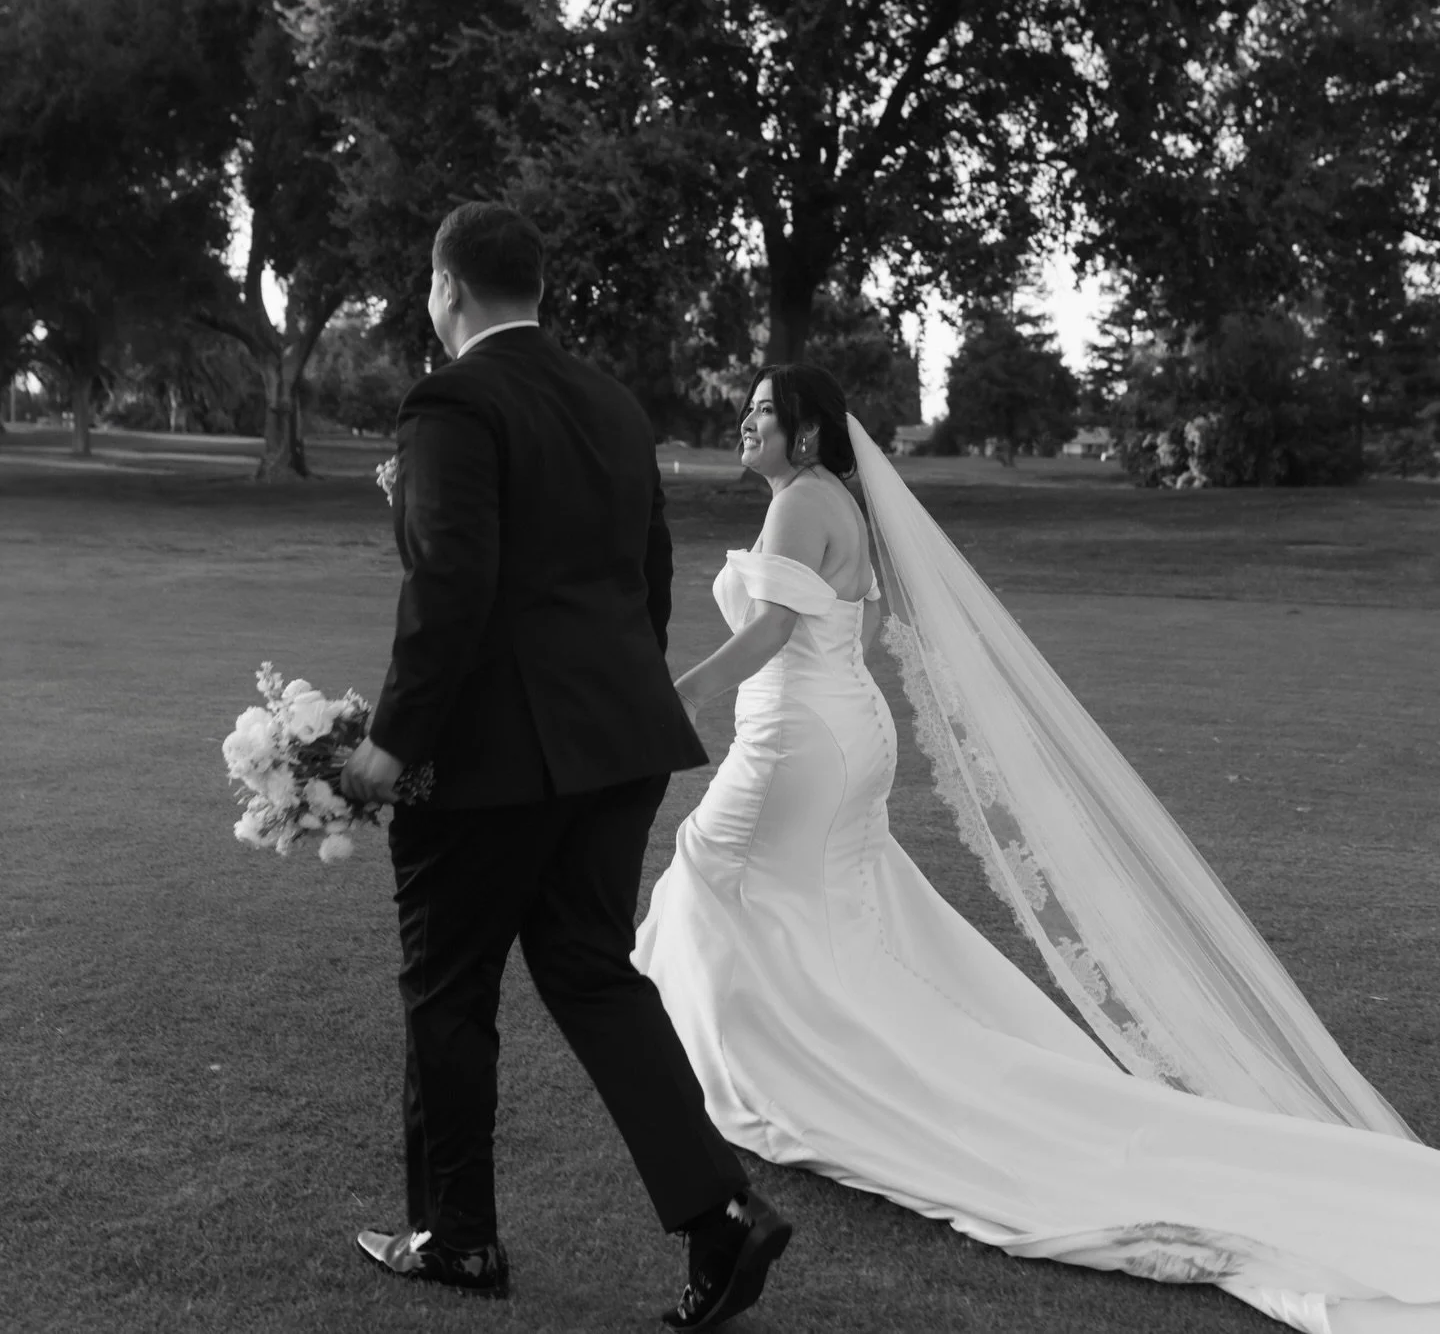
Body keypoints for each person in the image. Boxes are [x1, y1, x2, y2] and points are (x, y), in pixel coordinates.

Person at [633, 362, 1440, 1334]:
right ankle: (783, 1048)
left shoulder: (800, 502)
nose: (748, 419)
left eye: (768, 409)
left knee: (707, 869)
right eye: (751, 404)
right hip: (847, 733)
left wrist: (677, 694)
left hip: (796, 741)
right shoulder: (836, 497)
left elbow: (769, 632)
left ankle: (759, 1068)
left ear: (807, 434)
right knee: (809, 907)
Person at [339, 202, 791, 1329]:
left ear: (444, 289)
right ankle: (718, 1218)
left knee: (448, 989)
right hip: (619, 738)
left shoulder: (448, 399)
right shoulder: (610, 402)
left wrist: (392, 744)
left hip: (495, 760)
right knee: (592, 971)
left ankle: (459, 1240)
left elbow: (453, 587)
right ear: (536, 286)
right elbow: (646, 576)